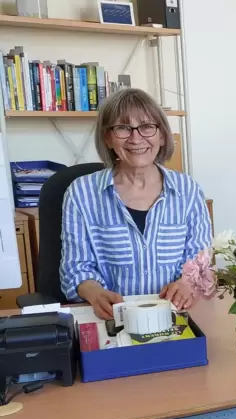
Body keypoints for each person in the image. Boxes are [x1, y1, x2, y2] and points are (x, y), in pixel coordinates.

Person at [60, 88, 212, 319]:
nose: (136, 138)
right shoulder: (81, 194)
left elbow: (200, 261)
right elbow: (75, 267)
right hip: (111, 319)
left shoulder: (188, 190)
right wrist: (94, 292)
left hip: (176, 316)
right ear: (107, 138)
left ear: (162, 135)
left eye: (147, 126)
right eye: (122, 128)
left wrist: (186, 284)